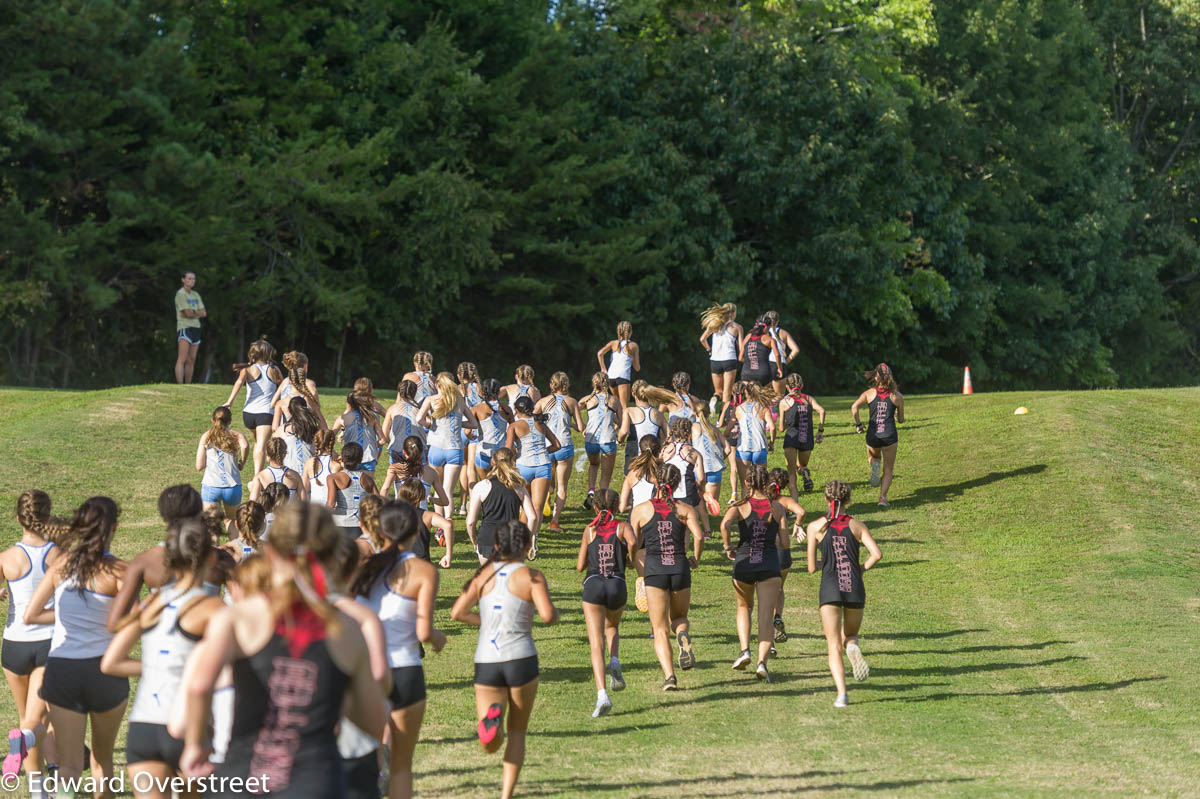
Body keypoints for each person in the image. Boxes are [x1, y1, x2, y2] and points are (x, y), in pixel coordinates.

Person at [178, 503, 388, 794]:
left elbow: (199, 686)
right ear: (333, 556)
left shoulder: (239, 617)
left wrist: (193, 747)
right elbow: (375, 723)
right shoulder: (347, 628)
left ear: (272, 552)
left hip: (241, 778)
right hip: (315, 782)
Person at [100, 517, 224, 798]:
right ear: (210, 557)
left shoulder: (153, 601)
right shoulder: (212, 607)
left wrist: (158, 666)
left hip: (143, 729)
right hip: (189, 727)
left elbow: (111, 662)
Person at [25, 498, 128, 797]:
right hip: (104, 670)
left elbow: (31, 615)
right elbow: (133, 621)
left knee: (68, 767)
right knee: (102, 762)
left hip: (62, 671)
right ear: (114, 528)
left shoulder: (61, 564)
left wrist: (68, 615)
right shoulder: (120, 570)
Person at [450, 520, 559, 799]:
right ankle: (505, 795)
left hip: (487, 660)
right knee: (518, 732)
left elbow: (457, 613)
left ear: (496, 545)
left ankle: (492, 721)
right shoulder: (531, 576)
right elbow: (547, 616)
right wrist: (552, 613)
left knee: (490, 743)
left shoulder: (483, 576)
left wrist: (487, 621)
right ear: (526, 545)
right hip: (521, 658)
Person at [352, 502, 447, 799]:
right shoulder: (422, 571)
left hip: (366, 670)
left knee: (361, 759)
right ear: (415, 531)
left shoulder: (364, 565)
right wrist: (437, 638)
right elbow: (423, 631)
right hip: (405, 670)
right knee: (403, 767)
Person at [1, 490, 61, 778]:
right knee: (36, 718)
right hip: (47, 643)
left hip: (13, 645)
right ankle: (23, 746)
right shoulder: (59, 554)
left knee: (29, 716)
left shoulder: (6, 557)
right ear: (47, 518)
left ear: (17, 519)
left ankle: (40, 785)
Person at [806, 480, 882, 707]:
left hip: (830, 588)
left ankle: (842, 694)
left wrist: (826, 562)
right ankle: (852, 646)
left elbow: (811, 567)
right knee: (849, 636)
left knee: (832, 645)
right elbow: (876, 554)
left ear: (826, 499)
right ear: (848, 499)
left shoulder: (815, 527)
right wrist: (859, 569)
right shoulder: (857, 526)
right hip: (854, 588)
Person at [629, 464, 704, 690]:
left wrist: (633, 561)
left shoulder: (641, 510)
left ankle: (670, 677)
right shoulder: (685, 509)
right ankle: (682, 637)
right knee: (679, 619)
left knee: (659, 628)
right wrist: (696, 559)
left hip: (655, 571)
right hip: (680, 568)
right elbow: (699, 537)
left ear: (654, 480)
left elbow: (632, 542)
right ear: (677, 482)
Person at [719, 465, 790, 683]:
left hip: (744, 563)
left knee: (743, 606)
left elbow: (724, 524)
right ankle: (762, 663)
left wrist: (728, 546)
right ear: (766, 482)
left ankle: (744, 650)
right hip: (769, 565)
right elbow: (785, 544)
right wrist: (771, 539)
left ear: (747, 483)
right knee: (766, 617)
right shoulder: (776, 507)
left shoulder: (740, 506)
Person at [105, 486, 203, 634]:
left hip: (158, 649)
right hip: (206, 649)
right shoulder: (221, 558)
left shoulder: (144, 562)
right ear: (199, 514)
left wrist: (147, 605)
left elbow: (115, 623)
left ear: (163, 517)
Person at [575, 490, 636, 717]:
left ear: (595, 507)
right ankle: (615, 660)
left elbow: (580, 565)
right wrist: (628, 560)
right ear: (616, 506)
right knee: (612, 627)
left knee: (595, 642)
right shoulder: (622, 527)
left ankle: (602, 695)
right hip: (617, 584)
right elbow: (633, 541)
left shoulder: (590, 530)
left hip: (593, 585)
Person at [416, 372, 479, 521]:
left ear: (437, 385)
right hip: (455, 448)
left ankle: (439, 524)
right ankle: (449, 521)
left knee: (438, 490)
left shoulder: (431, 400)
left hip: (436, 447)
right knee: (448, 490)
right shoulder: (459, 400)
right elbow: (474, 424)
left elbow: (419, 418)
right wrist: (459, 424)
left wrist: (430, 424)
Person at [505, 396, 560, 552]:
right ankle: (532, 535)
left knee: (521, 504)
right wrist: (543, 451)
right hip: (543, 465)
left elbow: (508, 449)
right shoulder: (541, 423)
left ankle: (519, 538)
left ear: (517, 410)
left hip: (524, 466)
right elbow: (557, 445)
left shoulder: (514, 426)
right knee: (537, 506)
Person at [222, 339, 283, 475]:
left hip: (248, 414)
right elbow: (282, 388)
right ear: (268, 354)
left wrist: (230, 401)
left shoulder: (247, 370)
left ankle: (263, 467)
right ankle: (257, 478)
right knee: (261, 445)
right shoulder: (274, 370)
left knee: (258, 443)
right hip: (265, 413)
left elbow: (238, 383)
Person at [534, 373, 585, 532]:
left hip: (547, 446)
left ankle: (538, 516)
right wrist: (570, 424)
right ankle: (555, 522)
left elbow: (533, 420)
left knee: (544, 481)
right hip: (564, 446)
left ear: (551, 385)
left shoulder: (542, 401)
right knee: (562, 486)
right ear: (567, 385)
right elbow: (581, 427)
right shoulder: (571, 402)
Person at [467, 449, 537, 564]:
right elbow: (533, 517)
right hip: (511, 539)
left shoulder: (482, 486)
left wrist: (474, 541)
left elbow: (470, 522)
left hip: (487, 538)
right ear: (513, 462)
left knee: (489, 579)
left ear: (492, 462)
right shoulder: (519, 487)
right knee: (509, 580)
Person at [850, 363, 905, 507]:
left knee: (873, 457)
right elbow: (901, 420)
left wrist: (858, 425)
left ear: (875, 376)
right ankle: (882, 498)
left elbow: (854, 407)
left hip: (873, 434)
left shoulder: (869, 393)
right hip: (889, 436)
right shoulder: (897, 396)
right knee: (888, 468)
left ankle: (874, 464)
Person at [766, 468, 806, 649]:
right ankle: (778, 616)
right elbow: (801, 511)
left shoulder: (762, 502)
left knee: (765, 596)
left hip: (766, 552)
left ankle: (769, 643)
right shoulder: (785, 501)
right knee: (779, 589)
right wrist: (797, 526)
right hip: (783, 553)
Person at [196, 406, 249, 518]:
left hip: (211, 486)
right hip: (232, 486)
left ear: (213, 420)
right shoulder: (236, 435)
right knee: (232, 521)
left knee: (212, 526)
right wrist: (242, 463)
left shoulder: (206, 436)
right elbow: (244, 446)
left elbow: (199, 466)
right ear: (230, 421)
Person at [777, 374, 826, 494]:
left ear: (787, 387)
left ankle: (794, 493)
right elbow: (822, 411)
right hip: (806, 438)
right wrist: (820, 431)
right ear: (802, 385)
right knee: (802, 465)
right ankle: (804, 470)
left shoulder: (784, 402)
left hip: (792, 438)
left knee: (791, 469)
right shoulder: (808, 399)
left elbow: (782, 428)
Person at [662, 417, 709, 537]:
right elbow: (702, 478)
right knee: (685, 527)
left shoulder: (664, 450)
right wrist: (699, 487)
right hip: (686, 491)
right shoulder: (694, 453)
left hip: (666, 491)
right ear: (689, 433)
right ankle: (684, 552)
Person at [394, 479, 454, 568]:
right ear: (422, 496)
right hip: (422, 563)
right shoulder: (427, 516)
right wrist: (448, 555)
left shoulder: (393, 513)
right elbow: (448, 525)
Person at [580, 372, 619, 509]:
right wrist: (614, 423)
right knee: (605, 477)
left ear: (593, 384)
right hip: (608, 441)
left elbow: (574, 409)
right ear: (607, 384)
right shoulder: (614, 400)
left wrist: (582, 426)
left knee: (594, 464)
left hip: (591, 440)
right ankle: (600, 503)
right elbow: (621, 421)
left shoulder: (588, 399)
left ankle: (591, 490)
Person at [326, 443, 379, 542]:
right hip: (361, 525)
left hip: (340, 524)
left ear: (342, 458)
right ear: (361, 459)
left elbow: (331, 504)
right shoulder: (368, 479)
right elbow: (378, 502)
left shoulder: (333, 477)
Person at [616, 381, 671, 475]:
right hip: (653, 455)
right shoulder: (658, 414)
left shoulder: (629, 411)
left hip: (634, 455)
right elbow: (670, 435)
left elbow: (624, 431)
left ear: (634, 395)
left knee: (632, 482)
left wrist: (619, 440)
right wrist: (662, 447)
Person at [380, 437, 449, 510]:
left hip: (401, 513)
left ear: (404, 451)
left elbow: (385, 489)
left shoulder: (395, 468)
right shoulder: (431, 472)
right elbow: (445, 501)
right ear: (422, 452)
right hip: (421, 516)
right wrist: (429, 499)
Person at [699, 303, 743, 414]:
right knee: (727, 393)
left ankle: (714, 400)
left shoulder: (715, 325)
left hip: (715, 360)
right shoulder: (737, 327)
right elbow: (741, 348)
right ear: (733, 313)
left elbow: (702, 339)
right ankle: (722, 419)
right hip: (729, 360)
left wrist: (709, 350)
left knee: (718, 391)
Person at [732, 382, 775, 496]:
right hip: (759, 447)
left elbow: (729, 428)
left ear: (745, 393)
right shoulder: (763, 408)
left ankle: (746, 510)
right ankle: (762, 508)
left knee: (744, 484)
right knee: (762, 483)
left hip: (743, 449)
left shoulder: (739, 408)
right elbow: (773, 427)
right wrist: (771, 443)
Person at [270, 351, 325, 431]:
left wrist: (283, 406)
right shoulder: (309, 382)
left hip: (286, 427)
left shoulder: (286, 381)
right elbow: (315, 397)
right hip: (305, 428)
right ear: (305, 366)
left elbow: (272, 404)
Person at [332, 393, 383, 475]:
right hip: (368, 457)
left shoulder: (343, 418)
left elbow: (329, 438)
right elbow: (383, 440)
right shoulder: (372, 417)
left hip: (350, 457)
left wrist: (333, 452)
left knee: (349, 485)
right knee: (367, 485)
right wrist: (374, 445)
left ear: (349, 404)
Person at [469, 378, 513, 476]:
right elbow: (512, 431)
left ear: (481, 392)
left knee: (486, 486)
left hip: (483, 453)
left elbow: (468, 432)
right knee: (502, 487)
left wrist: (470, 436)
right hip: (502, 455)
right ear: (498, 391)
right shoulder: (507, 409)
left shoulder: (476, 409)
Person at [596, 321, 640, 411]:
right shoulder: (634, 346)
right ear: (631, 332)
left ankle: (617, 425)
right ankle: (623, 425)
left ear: (618, 332)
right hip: (623, 377)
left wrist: (603, 368)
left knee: (616, 403)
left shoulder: (613, 343)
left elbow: (600, 353)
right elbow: (637, 368)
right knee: (624, 406)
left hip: (611, 376)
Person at [274, 397, 321, 475]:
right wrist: (316, 410)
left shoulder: (282, 430)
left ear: (289, 410)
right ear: (306, 409)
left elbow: (272, 451)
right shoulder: (313, 429)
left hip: (289, 474)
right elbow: (325, 430)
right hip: (311, 473)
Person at [382, 380, 426, 464]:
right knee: (419, 475)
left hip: (397, 448)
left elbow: (384, 432)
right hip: (417, 448)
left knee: (397, 475)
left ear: (399, 392)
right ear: (415, 393)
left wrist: (391, 442)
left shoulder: (392, 409)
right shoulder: (420, 410)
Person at [174, 271, 206, 384]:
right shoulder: (181, 294)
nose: (192, 281)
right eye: (189, 278)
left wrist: (193, 312)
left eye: (193, 279)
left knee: (191, 359)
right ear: (183, 280)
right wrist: (194, 313)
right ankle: (180, 385)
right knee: (182, 358)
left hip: (195, 327)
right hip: (185, 327)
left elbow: (203, 312)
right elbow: (186, 314)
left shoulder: (195, 295)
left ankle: (188, 385)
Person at [761, 311, 800, 397]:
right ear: (778, 321)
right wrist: (786, 361)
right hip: (779, 365)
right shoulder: (783, 333)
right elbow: (796, 350)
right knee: (779, 397)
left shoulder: (762, 333)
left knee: (763, 396)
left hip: (764, 365)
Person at [738, 315, 783, 388]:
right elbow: (777, 355)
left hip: (746, 373)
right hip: (763, 373)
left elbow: (740, 358)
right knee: (765, 396)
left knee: (748, 397)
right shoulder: (770, 340)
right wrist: (779, 368)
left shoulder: (748, 336)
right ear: (766, 328)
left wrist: (751, 361)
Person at [303, 429, 338, 506]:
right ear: (333, 442)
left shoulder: (309, 462)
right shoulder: (337, 463)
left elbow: (305, 487)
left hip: (315, 508)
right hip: (333, 507)